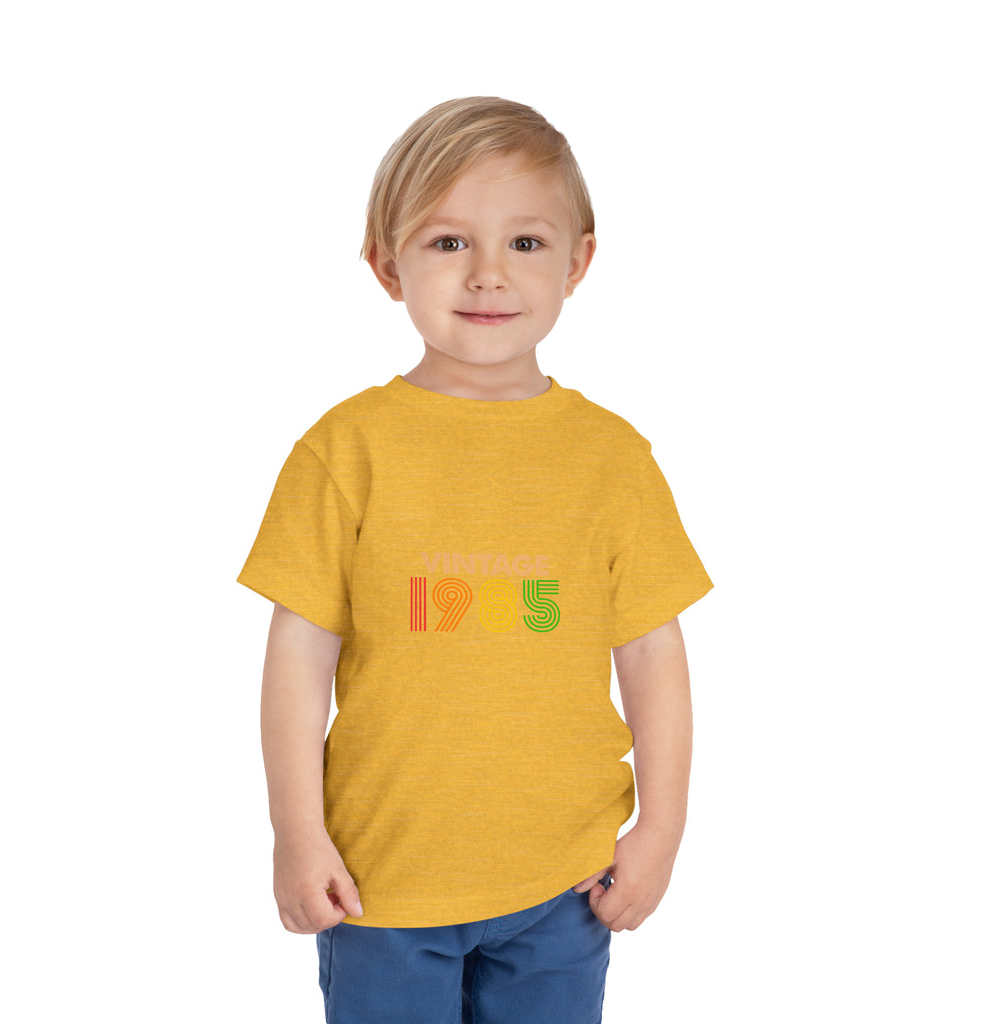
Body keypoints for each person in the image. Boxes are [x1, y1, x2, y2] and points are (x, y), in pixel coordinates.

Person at [237, 96, 713, 1024]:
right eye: (449, 241)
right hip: (381, 879)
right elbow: (297, 654)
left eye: (526, 243)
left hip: (565, 879)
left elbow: (654, 652)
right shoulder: (346, 450)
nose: (489, 273)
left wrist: (662, 826)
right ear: (388, 264)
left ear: (577, 263)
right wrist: (296, 832)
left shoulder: (613, 458)